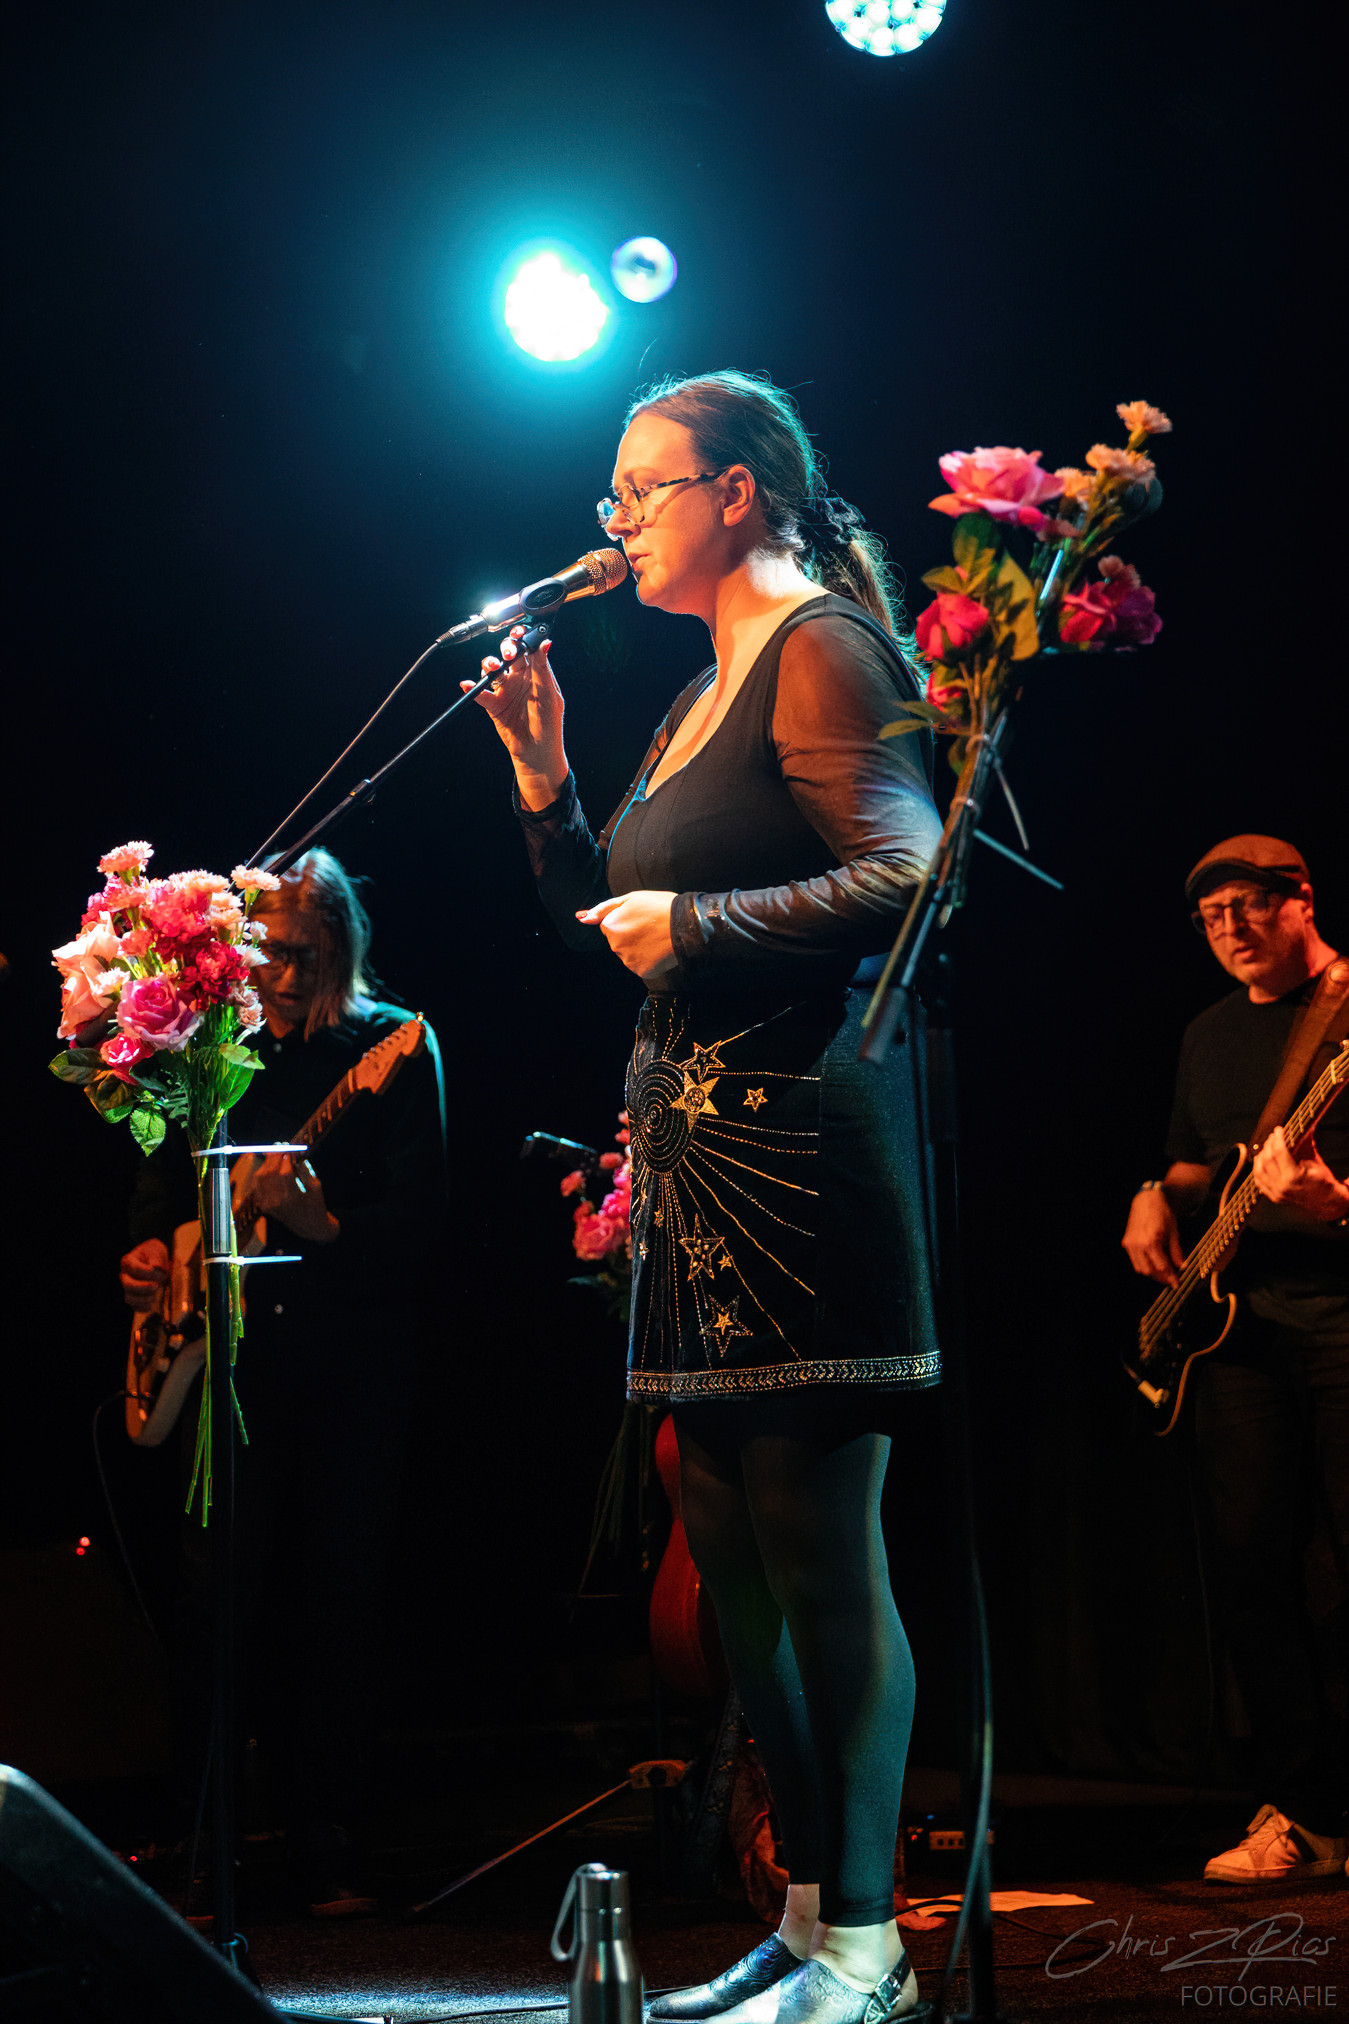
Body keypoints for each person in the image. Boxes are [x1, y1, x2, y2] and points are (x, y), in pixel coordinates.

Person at [468, 371, 942, 2024]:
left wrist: (701, 924)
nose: (613, 520)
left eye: (640, 487)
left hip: (799, 1154)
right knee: (730, 1557)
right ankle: (806, 1918)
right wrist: (545, 780)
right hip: (694, 1167)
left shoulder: (819, 644)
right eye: (608, 494)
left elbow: (908, 869)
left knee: (817, 1545)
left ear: (736, 491)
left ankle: (870, 1942)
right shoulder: (692, 692)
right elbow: (608, 932)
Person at [119, 848, 445, 1914]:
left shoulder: (393, 1044)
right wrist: (150, 1249)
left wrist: (325, 1226)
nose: (290, 977)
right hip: (231, 1366)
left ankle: (326, 1847)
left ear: (344, 945)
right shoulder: (219, 1048)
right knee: (214, 1597)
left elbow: (424, 1222)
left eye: (310, 955)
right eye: (272, 956)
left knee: (336, 1597)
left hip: (350, 1369)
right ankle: (200, 1837)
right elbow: (164, 1172)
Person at [1122, 833, 1349, 1886]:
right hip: (1237, 1331)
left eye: (1249, 905)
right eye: (1210, 916)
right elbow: (1190, 1165)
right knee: (1251, 1570)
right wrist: (1150, 1197)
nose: (1229, 928)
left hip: (1341, 1316)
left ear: (1299, 899)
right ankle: (1308, 1811)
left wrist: (1335, 1208)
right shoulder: (1207, 1034)